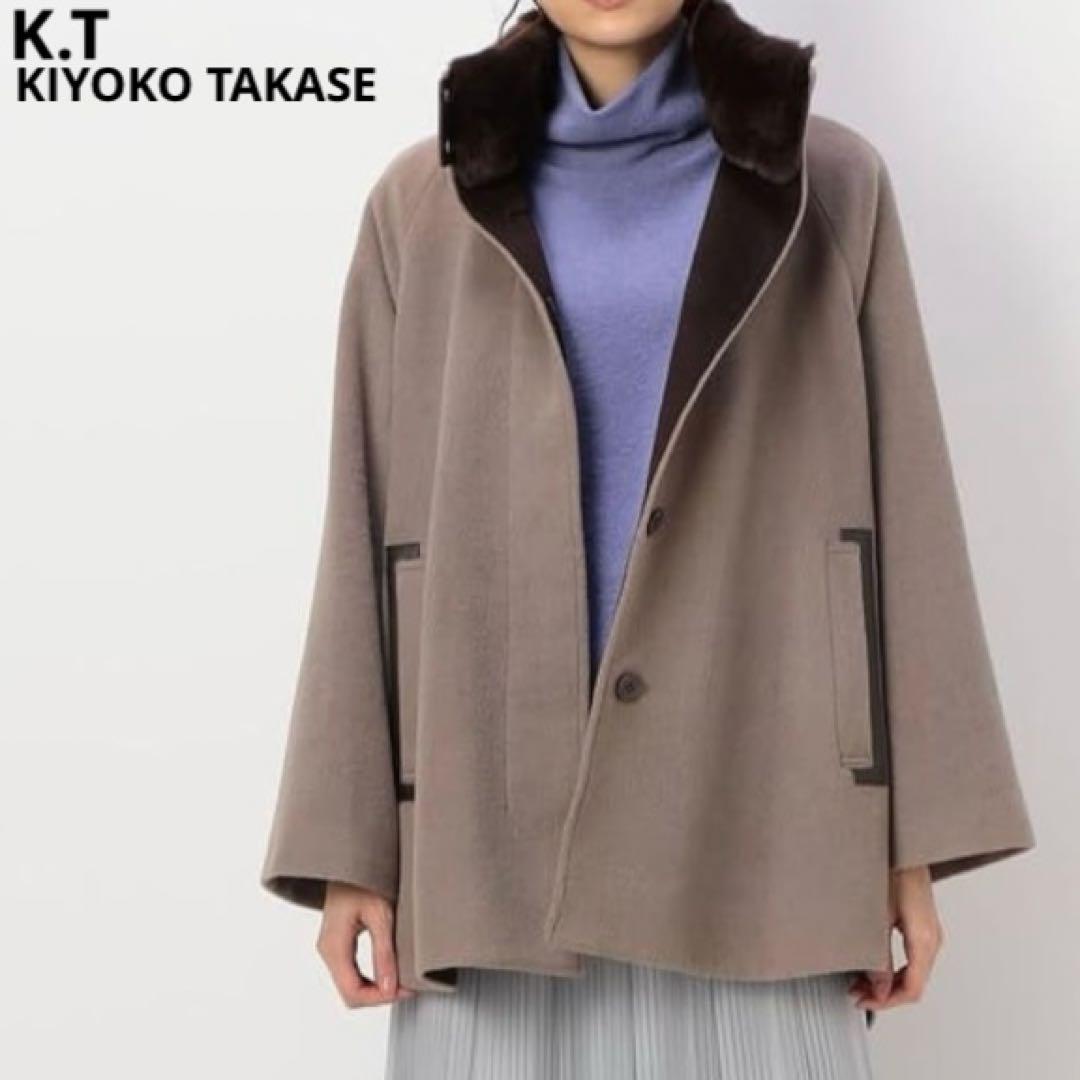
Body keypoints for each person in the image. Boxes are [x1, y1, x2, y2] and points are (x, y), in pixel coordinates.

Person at [259, 2, 1036, 1077]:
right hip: (490, 833)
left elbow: (906, 504)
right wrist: (351, 845)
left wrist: (915, 842)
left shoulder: (828, 184)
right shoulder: (422, 203)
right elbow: (366, 520)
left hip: (763, 812)